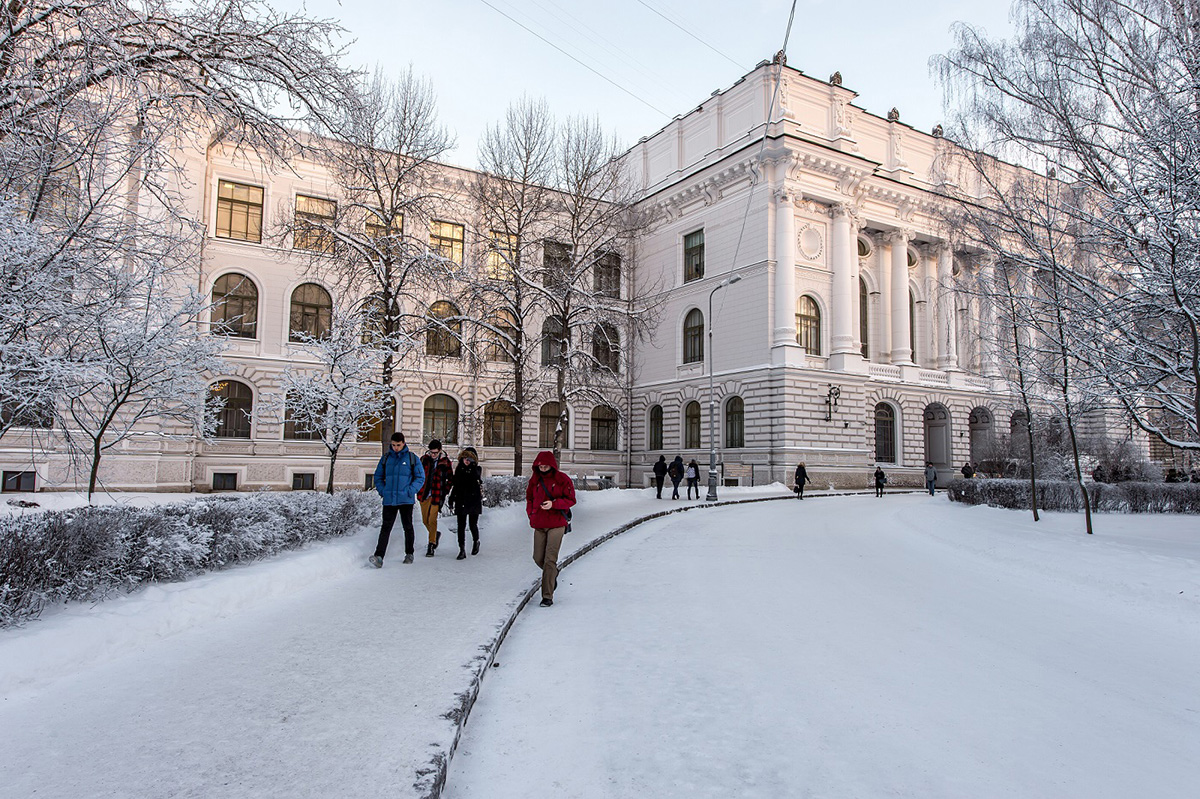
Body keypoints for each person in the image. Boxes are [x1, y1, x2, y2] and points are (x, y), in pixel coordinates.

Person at [526, 450, 576, 607]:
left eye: (545, 465)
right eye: (540, 466)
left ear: (552, 465)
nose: (542, 468)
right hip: (539, 524)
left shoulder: (562, 479)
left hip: (557, 523)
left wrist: (553, 504)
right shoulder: (535, 480)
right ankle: (552, 573)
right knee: (537, 558)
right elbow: (529, 498)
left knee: (549, 559)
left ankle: (547, 596)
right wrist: (531, 514)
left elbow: (571, 499)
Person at [369, 432, 425, 567]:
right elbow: (378, 477)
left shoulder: (412, 458)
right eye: (393, 445)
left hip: (405, 499)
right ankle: (379, 556)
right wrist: (383, 491)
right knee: (386, 528)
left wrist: (410, 491)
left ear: (403, 443)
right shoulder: (386, 458)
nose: (395, 448)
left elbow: (420, 477)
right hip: (389, 499)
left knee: (408, 526)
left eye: (398, 445)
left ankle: (409, 553)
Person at [417, 439, 454, 557]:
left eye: (435, 453)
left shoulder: (445, 462)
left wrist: (445, 491)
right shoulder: (423, 460)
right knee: (425, 520)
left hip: (437, 494)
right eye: (431, 452)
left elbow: (450, 479)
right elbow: (417, 475)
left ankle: (431, 544)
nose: (433, 455)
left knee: (432, 519)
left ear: (440, 451)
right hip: (424, 493)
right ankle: (435, 534)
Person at [446, 447, 483, 560]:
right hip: (461, 500)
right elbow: (455, 485)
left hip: (473, 500)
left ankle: (476, 541)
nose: (466, 461)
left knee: (473, 525)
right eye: (464, 458)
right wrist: (451, 499)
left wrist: (472, 467)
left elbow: (475, 477)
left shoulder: (476, 469)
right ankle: (461, 549)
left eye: (469, 459)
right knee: (461, 526)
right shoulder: (459, 470)